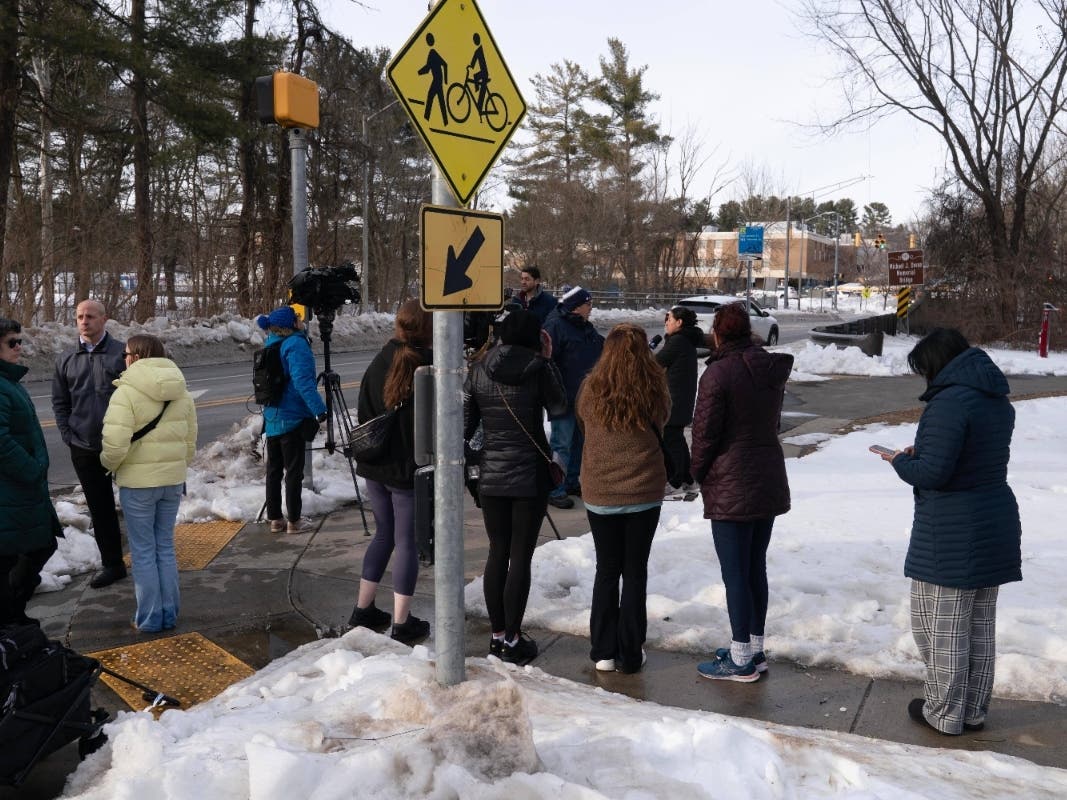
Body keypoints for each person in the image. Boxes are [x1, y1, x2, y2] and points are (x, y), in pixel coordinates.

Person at [874, 328, 1020, 735]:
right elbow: (971, 456)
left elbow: (934, 473)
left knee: (939, 628)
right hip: (994, 523)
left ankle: (943, 713)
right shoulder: (995, 399)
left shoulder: (950, 403)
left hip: (953, 530)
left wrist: (900, 462)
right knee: (977, 627)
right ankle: (971, 710)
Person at [690, 302, 793, 682]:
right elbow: (774, 421)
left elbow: (704, 435)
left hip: (730, 480)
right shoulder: (768, 368)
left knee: (735, 573)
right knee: (754, 568)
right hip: (766, 475)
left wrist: (697, 472)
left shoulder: (717, 375)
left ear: (718, 333)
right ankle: (755, 649)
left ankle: (739, 658)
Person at [464, 309, 567, 665]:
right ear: (536, 337)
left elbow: (466, 426)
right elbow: (559, 406)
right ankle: (513, 637)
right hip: (529, 475)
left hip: (492, 473)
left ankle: (496, 635)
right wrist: (548, 361)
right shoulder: (538, 368)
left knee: (497, 551)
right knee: (520, 554)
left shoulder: (478, 369)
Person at [576, 324, 670, 674]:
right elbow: (663, 422)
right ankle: (631, 653)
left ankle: (602, 650)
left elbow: (584, 425)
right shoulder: (654, 388)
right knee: (634, 572)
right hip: (644, 490)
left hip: (600, 490)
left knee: (606, 570)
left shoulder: (590, 389)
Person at [348, 300, 433, 646]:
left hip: (374, 464)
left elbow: (364, 409)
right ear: (428, 329)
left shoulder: (380, 359)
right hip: (406, 470)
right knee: (407, 542)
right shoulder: (425, 369)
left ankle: (363, 609)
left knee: (384, 534)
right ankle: (401, 623)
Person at [100, 334, 197, 633]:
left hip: (138, 484)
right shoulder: (181, 391)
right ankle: (169, 613)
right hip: (171, 481)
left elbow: (114, 445)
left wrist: (109, 465)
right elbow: (189, 441)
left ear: (136, 357)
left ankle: (150, 617)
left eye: (126, 353)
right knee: (164, 548)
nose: (123, 358)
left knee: (142, 552)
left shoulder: (126, 392)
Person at [52, 299, 127, 589]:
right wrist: (68, 435)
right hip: (83, 446)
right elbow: (60, 402)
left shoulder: (122, 353)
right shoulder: (66, 358)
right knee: (100, 507)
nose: (85, 321)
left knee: (135, 503)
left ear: (104, 319)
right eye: (80, 317)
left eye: (91, 316)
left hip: (122, 445)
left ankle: (148, 556)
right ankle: (113, 564)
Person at [0, 319, 62, 625]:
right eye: (12, 342)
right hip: (11, 489)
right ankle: (12, 621)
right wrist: (31, 469)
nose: (19, 347)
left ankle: (14, 618)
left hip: (22, 489)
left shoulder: (8, 381)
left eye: (20, 341)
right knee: (21, 552)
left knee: (36, 547)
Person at [257, 306, 326, 535]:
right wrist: (320, 409)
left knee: (274, 471)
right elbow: (303, 381)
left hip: (272, 416)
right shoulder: (295, 344)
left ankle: (275, 519)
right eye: (296, 317)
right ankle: (294, 521)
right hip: (293, 416)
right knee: (294, 471)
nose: (300, 319)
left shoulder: (271, 343)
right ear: (290, 325)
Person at [542, 285, 604, 509]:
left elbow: (601, 349)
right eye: (588, 304)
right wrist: (554, 393)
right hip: (563, 398)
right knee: (562, 444)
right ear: (577, 306)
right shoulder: (555, 326)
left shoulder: (586, 328)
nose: (591, 308)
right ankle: (555, 488)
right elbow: (546, 363)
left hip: (585, 398)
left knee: (579, 442)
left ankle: (571, 482)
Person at [655, 305, 704, 491]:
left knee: (670, 439)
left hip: (675, 399)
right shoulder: (684, 340)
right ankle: (687, 478)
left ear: (679, 322)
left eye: (669, 319)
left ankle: (675, 480)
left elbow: (656, 363)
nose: (666, 322)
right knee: (676, 438)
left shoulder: (678, 341)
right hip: (681, 398)